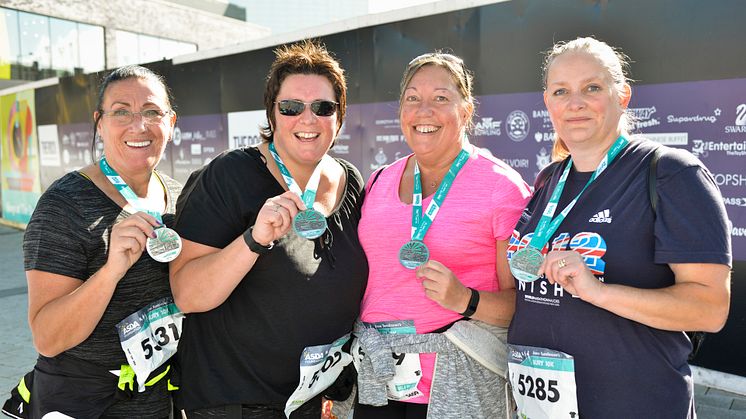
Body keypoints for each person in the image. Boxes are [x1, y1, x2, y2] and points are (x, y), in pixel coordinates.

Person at [506, 37, 731, 419]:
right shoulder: (547, 180)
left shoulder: (670, 173)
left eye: (591, 88)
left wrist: (599, 293)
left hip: (635, 405)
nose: (574, 103)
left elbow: (710, 309)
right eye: (562, 91)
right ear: (548, 103)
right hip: (543, 408)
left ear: (622, 96)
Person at [169, 40, 368, 418]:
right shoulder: (228, 176)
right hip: (236, 404)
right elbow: (187, 294)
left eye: (323, 107)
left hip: (317, 401)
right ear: (272, 115)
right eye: (291, 107)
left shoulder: (353, 181)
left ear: (339, 117)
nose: (307, 119)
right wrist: (254, 240)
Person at [352, 52, 531, 418]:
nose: (424, 111)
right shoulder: (378, 181)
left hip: (458, 383)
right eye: (413, 99)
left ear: (466, 111)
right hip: (376, 380)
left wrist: (466, 299)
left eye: (441, 98)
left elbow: (525, 308)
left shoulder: (501, 187)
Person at [21, 65, 181, 418]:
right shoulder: (65, 205)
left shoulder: (178, 196)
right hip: (83, 400)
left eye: (152, 112)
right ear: (100, 122)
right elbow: (47, 338)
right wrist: (110, 272)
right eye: (121, 111)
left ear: (171, 122)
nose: (138, 125)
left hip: (154, 396)